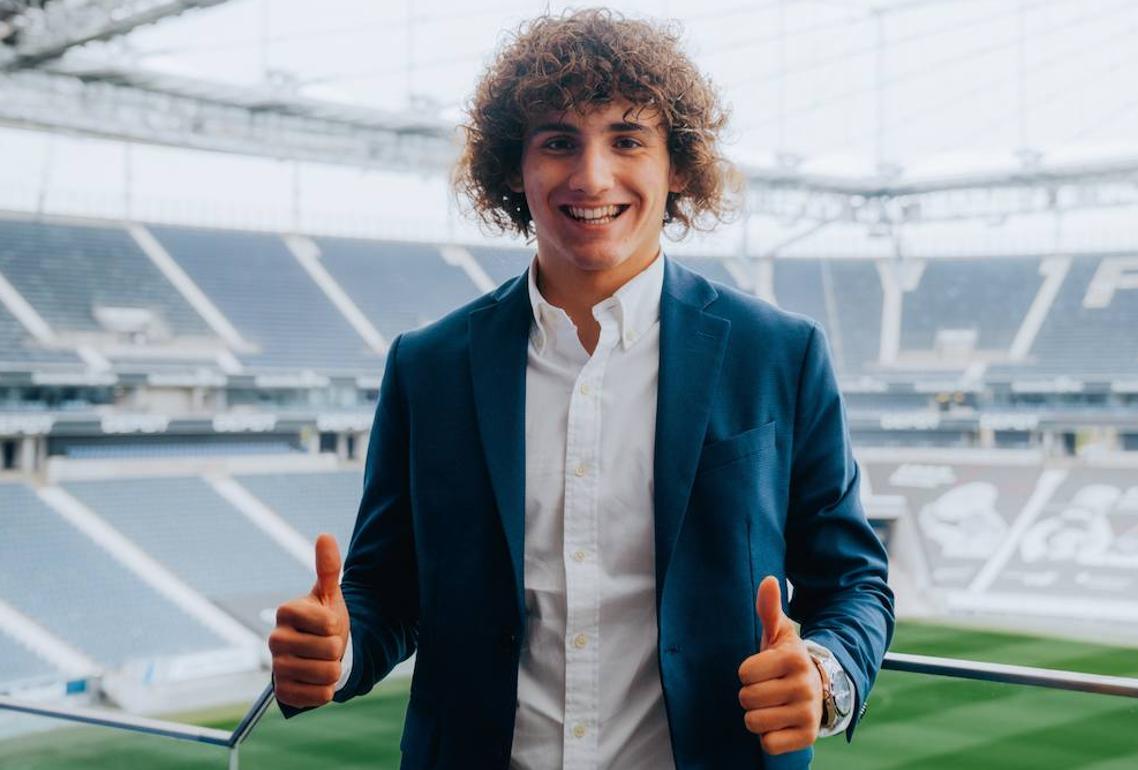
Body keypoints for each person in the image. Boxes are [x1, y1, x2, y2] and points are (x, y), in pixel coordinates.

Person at [267, 9, 893, 769]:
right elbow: (385, 593)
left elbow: (854, 582)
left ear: (678, 168)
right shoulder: (427, 367)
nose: (592, 176)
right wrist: (338, 649)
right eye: (558, 141)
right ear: (513, 169)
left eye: (627, 140)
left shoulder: (780, 355)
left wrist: (825, 676)